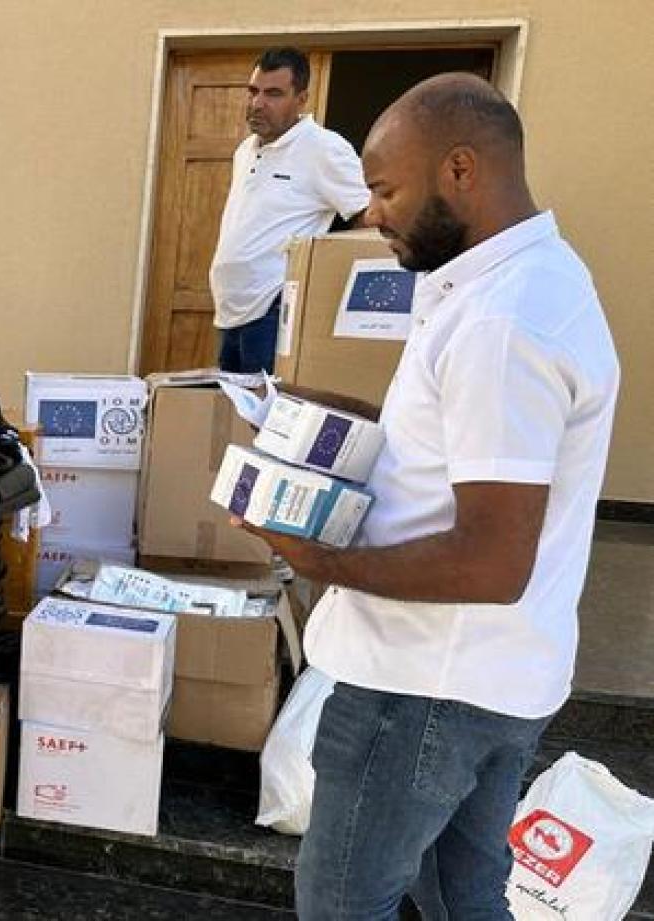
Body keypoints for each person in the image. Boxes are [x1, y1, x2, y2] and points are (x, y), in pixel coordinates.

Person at [238, 74, 620, 919]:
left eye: (385, 190)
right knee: (463, 899)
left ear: (460, 169)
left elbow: (491, 560)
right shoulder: (524, 282)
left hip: (423, 689)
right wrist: (344, 419)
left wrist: (320, 559)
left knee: (344, 904)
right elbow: (462, 448)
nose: (371, 213)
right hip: (487, 679)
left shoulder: (501, 322)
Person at [211, 47, 369, 373]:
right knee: (232, 403)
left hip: (273, 308)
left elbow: (369, 217)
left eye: (273, 94)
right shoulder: (245, 150)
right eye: (253, 91)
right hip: (229, 310)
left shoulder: (324, 148)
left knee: (267, 404)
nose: (258, 103)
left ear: (301, 99)